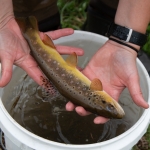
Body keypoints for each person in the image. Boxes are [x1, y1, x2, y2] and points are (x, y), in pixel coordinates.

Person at [0, 0, 149, 124]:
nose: (113, 108)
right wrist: (3, 20)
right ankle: (37, 29)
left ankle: (31, 32)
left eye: (111, 109)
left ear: (105, 102)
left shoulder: (98, 92)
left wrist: (124, 42)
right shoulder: (99, 93)